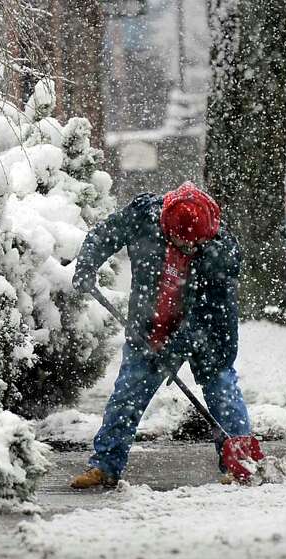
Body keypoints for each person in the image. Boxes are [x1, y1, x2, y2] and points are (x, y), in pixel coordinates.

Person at [70, 181, 251, 490]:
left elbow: (207, 317)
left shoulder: (220, 255)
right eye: (180, 242)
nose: (187, 248)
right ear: (166, 226)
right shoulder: (143, 216)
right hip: (148, 327)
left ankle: (242, 465)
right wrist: (87, 266)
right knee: (126, 396)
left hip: (206, 334)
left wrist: (174, 346)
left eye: (193, 245)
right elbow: (103, 235)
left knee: (223, 394)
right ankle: (105, 467)